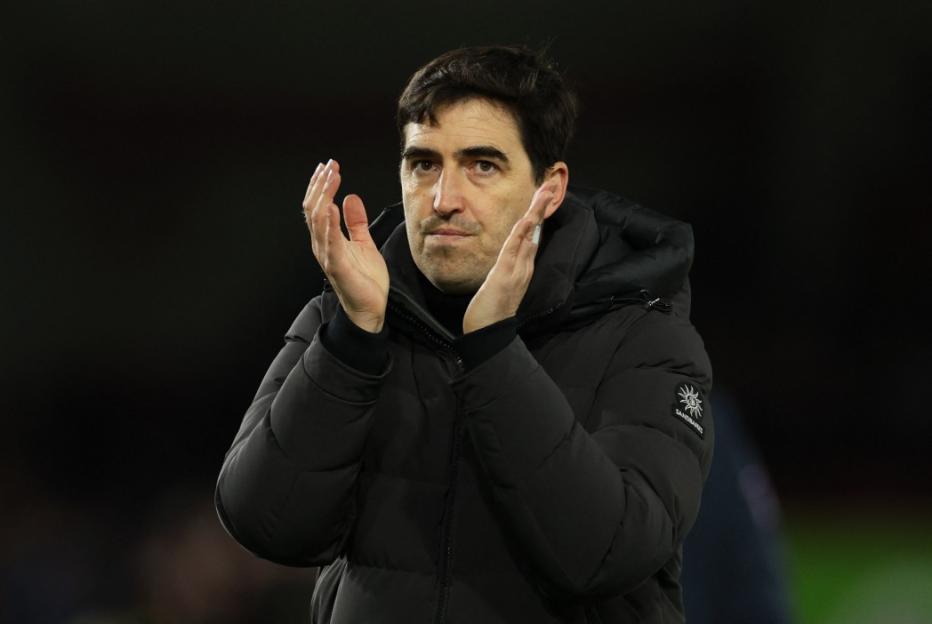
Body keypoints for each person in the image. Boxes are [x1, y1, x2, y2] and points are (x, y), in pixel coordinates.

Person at [215, 45, 714, 624]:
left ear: (548, 188)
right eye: (424, 163)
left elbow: (604, 553)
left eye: (483, 165)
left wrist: (494, 350)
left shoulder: (645, 337)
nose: (443, 200)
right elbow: (266, 523)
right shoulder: (353, 316)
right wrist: (351, 343)